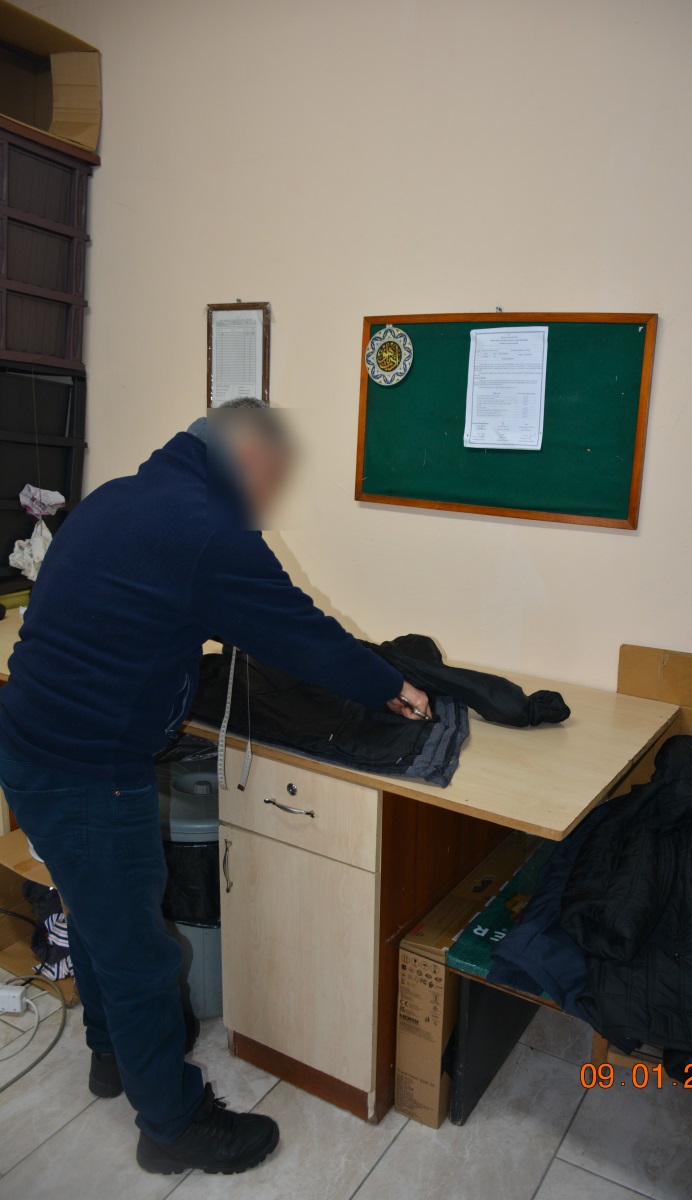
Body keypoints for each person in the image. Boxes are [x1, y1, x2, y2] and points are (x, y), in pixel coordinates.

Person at [0, 398, 430, 1176]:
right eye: (274, 479)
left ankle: (111, 1056)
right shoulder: (207, 529)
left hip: (26, 746)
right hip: (90, 770)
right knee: (139, 954)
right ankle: (172, 1127)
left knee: (94, 915)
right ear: (248, 455)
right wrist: (387, 684)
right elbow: (298, 632)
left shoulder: (119, 497)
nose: (270, 498)